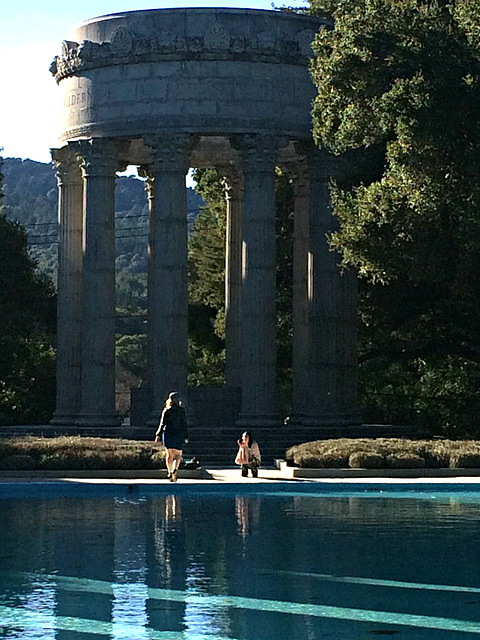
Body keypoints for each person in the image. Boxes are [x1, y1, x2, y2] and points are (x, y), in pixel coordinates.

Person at [155, 391, 189, 482]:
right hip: (179, 433)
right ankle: (175, 469)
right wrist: (186, 436)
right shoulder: (182, 411)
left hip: (169, 432)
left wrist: (158, 434)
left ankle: (169, 471)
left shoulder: (167, 410)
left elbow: (162, 424)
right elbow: (184, 424)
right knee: (178, 455)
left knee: (169, 455)